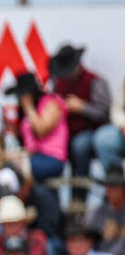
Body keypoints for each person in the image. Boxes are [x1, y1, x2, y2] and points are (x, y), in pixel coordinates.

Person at [48, 44, 122, 179]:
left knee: (80, 144)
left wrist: (82, 107)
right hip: (64, 132)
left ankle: (81, 185)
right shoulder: (58, 84)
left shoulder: (95, 81)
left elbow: (105, 113)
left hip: (91, 131)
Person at [8, 72, 69, 182]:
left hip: (52, 159)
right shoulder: (25, 113)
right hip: (34, 156)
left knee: (15, 169)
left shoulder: (52, 104)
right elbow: (30, 147)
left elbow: (41, 131)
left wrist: (29, 107)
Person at [85, 168, 125, 255]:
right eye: (109, 188)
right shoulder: (99, 212)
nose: (112, 192)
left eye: (116, 188)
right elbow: (90, 239)